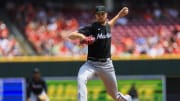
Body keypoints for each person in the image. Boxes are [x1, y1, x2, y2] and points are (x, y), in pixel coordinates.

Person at [68, 5, 132, 101]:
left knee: (114, 95)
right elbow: (71, 35)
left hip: (107, 65)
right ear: (95, 16)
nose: (100, 16)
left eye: (102, 14)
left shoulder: (108, 26)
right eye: (98, 14)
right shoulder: (92, 27)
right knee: (81, 78)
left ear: (106, 15)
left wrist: (119, 15)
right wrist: (83, 37)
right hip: (91, 64)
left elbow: (111, 23)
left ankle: (127, 99)